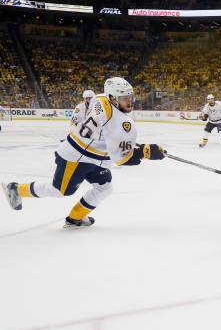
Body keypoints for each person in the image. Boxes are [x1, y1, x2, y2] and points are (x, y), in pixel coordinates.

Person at [1, 77, 166, 228]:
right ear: (113, 98)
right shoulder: (122, 122)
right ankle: (16, 189)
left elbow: (108, 134)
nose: (130, 102)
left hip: (94, 157)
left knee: (104, 187)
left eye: (130, 97)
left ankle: (75, 218)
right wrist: (146, 152)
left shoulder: (100, 98)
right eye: (124, 99)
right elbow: (121, 158)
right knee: (61, 190)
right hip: (77, 157)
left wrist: (133, 145)